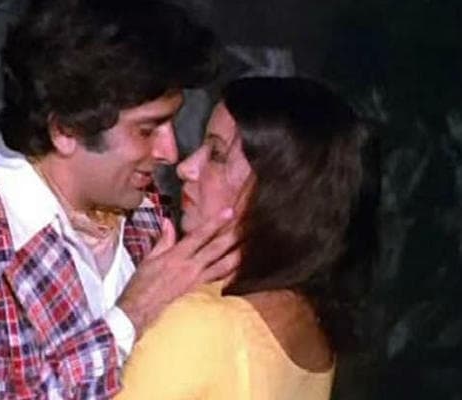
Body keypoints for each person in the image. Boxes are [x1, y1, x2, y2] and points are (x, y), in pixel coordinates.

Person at [0, 1, 241, 398]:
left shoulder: (151, 212)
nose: (170, 153)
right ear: (65, 129)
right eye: (146, 130)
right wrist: (132, 314)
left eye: (172, 122)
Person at [115, 77, 379, 399]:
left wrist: (128, 315)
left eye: (216, 154)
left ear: (279, 191)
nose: (186, 167)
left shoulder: (202, 324)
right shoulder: (308, 322)